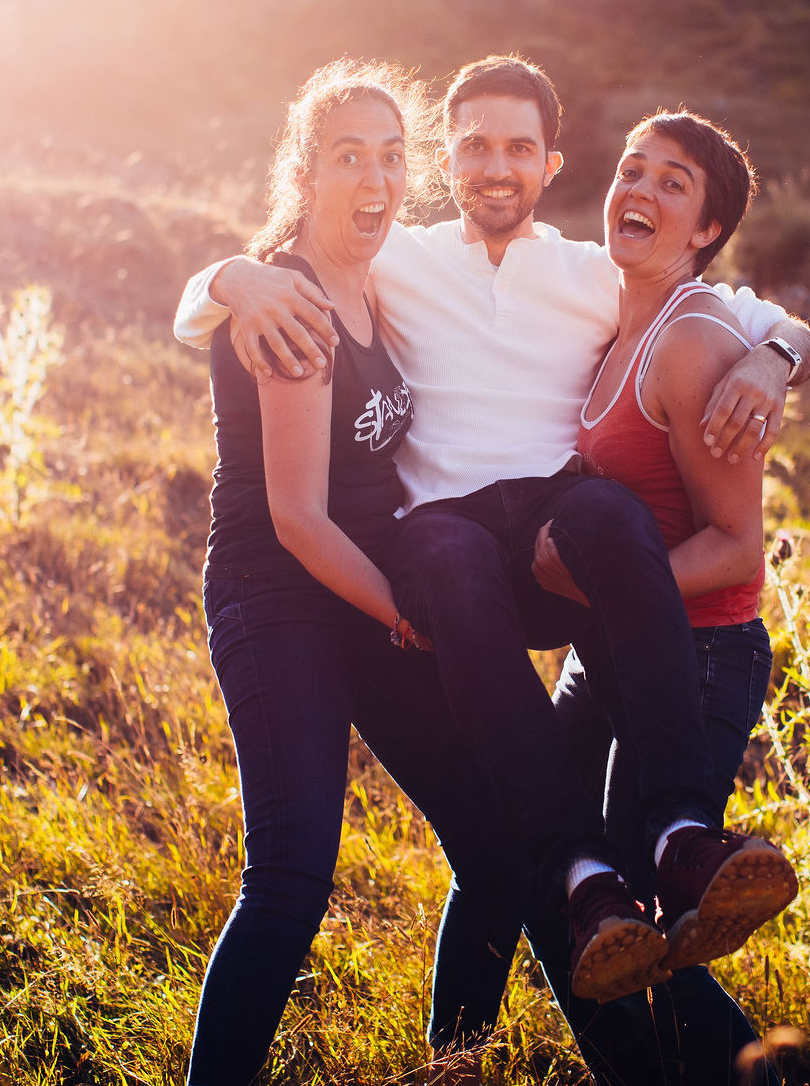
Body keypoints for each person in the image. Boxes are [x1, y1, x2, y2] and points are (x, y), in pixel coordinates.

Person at [176, 57, 810, 1013]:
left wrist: (773, 356)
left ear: (552, 162)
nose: (496, 165)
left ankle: (681, 831)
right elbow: (232, 286)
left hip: (547, 530)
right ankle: (580, 876)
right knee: (438, 553)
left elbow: (759, 314)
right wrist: (232, 277)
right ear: (446, 159)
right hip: (444, 542)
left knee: (610, 514)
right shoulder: (396, 253)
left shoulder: (594, 272)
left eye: (520, 146)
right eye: (474, 144)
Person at [190, 60, 527, 1086]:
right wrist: (403, 615)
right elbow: (295, 517)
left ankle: (451, 1065)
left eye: (391, 157)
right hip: (280, 594)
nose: (373, 179)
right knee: (291, 879)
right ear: (306, 169)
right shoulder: (291, 299)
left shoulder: (376, 279)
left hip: (368, 594)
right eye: (347, 157)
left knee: (498, 845)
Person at [529, 110, 785, 1085]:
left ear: (706, 230)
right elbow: (783, 325)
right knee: (558, 862)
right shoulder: (612, 324)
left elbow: (735, 550)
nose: (637, 189)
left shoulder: (689, 345)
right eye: (630, 169)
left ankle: (753, 1069)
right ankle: (467, 1051)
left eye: (671, 182)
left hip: (699, 653)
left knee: (656, 905)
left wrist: (608, 595)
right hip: (610, 651)